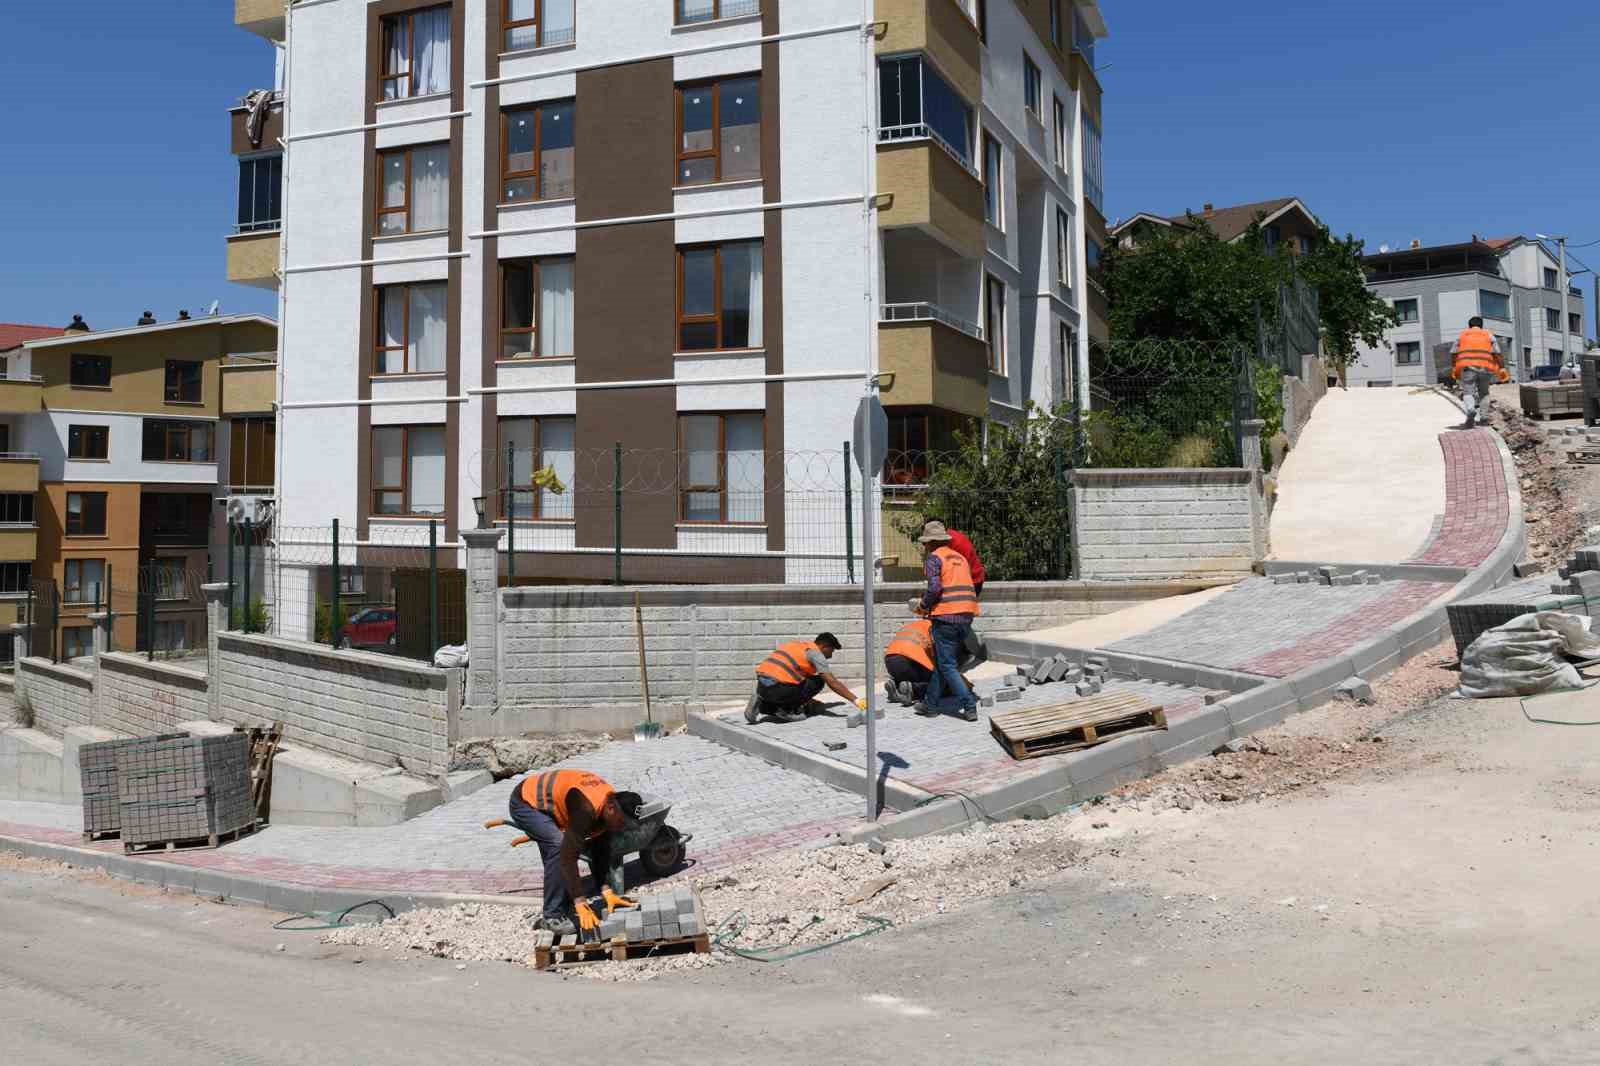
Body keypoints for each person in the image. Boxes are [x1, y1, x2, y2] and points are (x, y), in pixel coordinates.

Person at [507, 768, 639, 935]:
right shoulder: (586, 808)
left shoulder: (608, 807)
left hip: (552, 801)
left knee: (559, 851)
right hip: (525, 801)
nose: (622, 827)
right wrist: (580, 901)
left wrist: (606, 889)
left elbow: (600, 850)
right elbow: (568, 857)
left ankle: (561, 903)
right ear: (612, 808)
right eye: (622, 822)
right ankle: (552, 917)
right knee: (557, 845)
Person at [912, 520, 981, 721]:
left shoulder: (934, 558)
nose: (924, 547)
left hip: (946, 617)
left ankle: (968, 705)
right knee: (944, 664)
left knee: (947, 665)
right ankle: (930, 704)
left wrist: (923, 606)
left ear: (931, 543)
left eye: (925, 543)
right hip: (966, 616)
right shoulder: (960, 557)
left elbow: (934, 588)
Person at [745, 632, 867, 723]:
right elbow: (832, 682)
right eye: (832, 651)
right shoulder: (816, 654)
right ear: (825, 646)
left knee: (801, 681)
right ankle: (788, 710)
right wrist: (857, 701)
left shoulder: (796, 645)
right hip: (779, 688)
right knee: (819, 681)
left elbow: (794, 673)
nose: (830, 655)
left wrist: (808, 700)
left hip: (762, 685)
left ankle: (761, 703)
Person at [883, 615, 980, 705]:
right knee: (946, 686)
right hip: (910, 662)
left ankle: (896, 684)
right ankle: (913, 690)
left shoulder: (921, 624)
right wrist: (966, 685)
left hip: (890, 661)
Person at [1450, 316, 1509, 429]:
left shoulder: (1462, 335)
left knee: (1468, 392)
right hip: (1485, 368)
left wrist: (1454, 367)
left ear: (1469, 326)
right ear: (1481, 326)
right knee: (1484, 393)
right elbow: (1497, 353)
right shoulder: (1488, 335)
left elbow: (1453, 353)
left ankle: (1471, 409)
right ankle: (1484, 418)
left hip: (1467, 367)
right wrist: (1502, 368)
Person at [943, 526, 987, 598]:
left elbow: (964, 569)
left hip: (971, 581)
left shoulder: (955, 542)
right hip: (970, 580)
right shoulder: (950, 538)